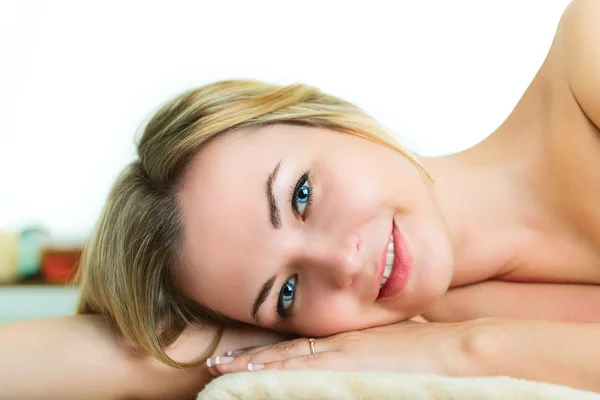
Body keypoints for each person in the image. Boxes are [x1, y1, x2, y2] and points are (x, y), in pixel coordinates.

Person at [2, 0, 600, 398]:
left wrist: (469, 352)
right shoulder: (411, 326)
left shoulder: (587, 58)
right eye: (286, 291)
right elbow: (121, 359)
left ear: (329, 117)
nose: (342, 262)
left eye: (302, 195)